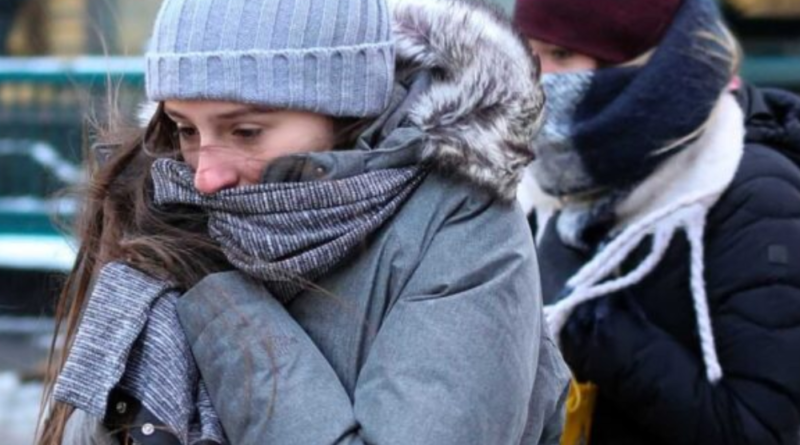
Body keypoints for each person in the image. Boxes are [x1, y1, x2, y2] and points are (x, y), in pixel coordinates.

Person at [37, 0, 571, 444]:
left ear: (344, 109)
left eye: (245, 132)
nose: (205, 175)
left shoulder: (461, 222)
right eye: (185, 129)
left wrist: (221, 303)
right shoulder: (173, 210)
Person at [513, 0, 800, 444]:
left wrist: (590, 323)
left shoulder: (755, 197)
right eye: (529, 55)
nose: (540, 79)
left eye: (562, 55)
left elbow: (762, 430)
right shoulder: (542, 186)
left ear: (639, 62)